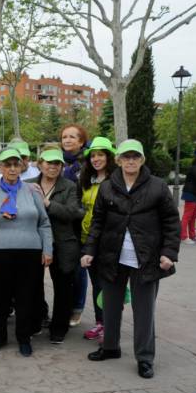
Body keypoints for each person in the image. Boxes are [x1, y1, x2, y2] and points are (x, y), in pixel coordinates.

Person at [82, 139, 180, 379]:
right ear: (118, 160)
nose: (131, 161)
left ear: (142, 160)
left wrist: (169, 253)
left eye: (135, 157)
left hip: (146, 258)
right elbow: (97, 222)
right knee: (110, 306)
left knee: (144, 311)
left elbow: (171, 222)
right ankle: (110, 347)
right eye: (126, 157)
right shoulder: (107, 187)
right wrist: (89, 250)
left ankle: (145, 358)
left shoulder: (157, 186)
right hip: (112, 255)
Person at [0, 147, 53, 357]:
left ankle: (23, 337)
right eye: (7, 165)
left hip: (30, 252)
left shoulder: (32, 190)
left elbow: (44, 223)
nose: (12, 168)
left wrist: (47, 249)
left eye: (15, 164)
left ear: (21, 167)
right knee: (0, 296)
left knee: (26, 297)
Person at [27, 148, 84, 344]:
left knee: (63, 287)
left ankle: (59, 327)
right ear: (40, 164)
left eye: (57, 163)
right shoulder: (28, 184)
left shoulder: (69, 186)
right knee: (33, 285)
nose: (53, 166)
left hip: (63, 243)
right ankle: (36, 321)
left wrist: (48, 204)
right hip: (34, 242)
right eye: (49, 162)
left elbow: (73, 212)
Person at [78, 137, 117, 342]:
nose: (96, 159)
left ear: (109, 157)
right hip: (87, 240)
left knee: (108, 285)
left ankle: (110, 325)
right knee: (97, 285)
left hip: (108, 241)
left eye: (101, 155)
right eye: (93, 156)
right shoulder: (86, 180)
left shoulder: (117, 181)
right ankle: (100, 323)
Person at [60, 124, 90, 327]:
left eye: (72, 137)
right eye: (64, 137)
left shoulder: (86, 164)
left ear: (81, 141)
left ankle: (77, 308)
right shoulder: (59, 162)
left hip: (80, 221)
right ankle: (64, 307)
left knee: (79, 268)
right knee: (65, 269)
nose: (67, 140)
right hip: (62, 221)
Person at [180, 150, 196, 244]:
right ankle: (183, 237)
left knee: (193, 216)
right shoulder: (195, 168)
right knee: (187, 216)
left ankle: (192, 236)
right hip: (190, 194)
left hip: (195, 194)